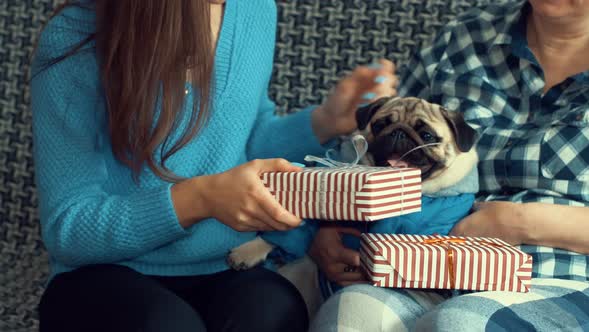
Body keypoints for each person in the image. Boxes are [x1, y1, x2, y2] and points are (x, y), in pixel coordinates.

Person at [31, 1, 397, 331]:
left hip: (223, 265)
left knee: (275, 311)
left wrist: (323, 122)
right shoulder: (76, 34)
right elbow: (69, 227)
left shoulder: (254, 11)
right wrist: (201, 199)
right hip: (103, 276)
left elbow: (241, 141)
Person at [309, 0, 589, 330]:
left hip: (561, 276)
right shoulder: (466, 36)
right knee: (350, 313)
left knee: (461, 323)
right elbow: (376, 143)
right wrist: (329, 227)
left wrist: (521, 221)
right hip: (418, 267)